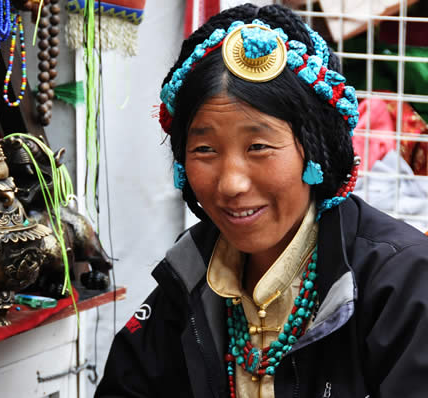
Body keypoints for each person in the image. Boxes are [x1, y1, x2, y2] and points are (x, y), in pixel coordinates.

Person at [95, 3, 428, 398]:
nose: (231, 184)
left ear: (315, 151)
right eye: (204, 149)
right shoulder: (188, 278)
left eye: (258, 146)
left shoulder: (402, 283)